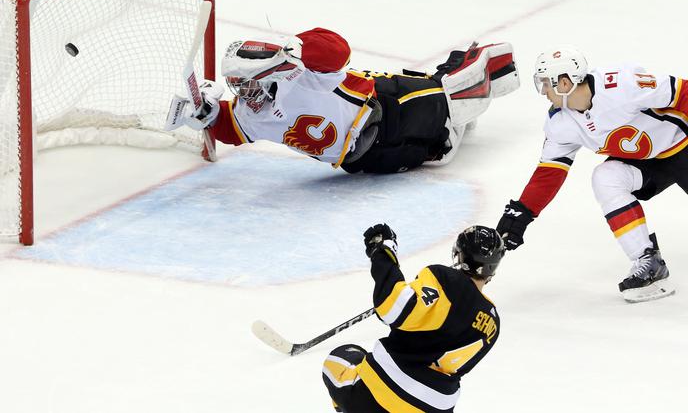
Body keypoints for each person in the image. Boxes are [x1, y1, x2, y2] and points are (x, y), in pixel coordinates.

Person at [169, 28, 519, 173]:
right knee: (439, 153)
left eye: (244, 84)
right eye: (236, 87)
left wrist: (296, 47)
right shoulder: (251, 113)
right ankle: (449, 129)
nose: (243, 95)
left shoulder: (302, 74)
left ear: (267, 73)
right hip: (361, 160)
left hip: (386, 105)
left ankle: (486, 64)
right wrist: (208, 114)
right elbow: (233, 129)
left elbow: (338, 51)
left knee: (450, 95)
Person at [496, 47, 687, 303]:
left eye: (545, 83)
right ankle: (647, 259)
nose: (543, 92)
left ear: (564, 82)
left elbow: (683, 93)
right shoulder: (560, 122)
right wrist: (524, 212)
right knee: (606, 176)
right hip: (648, 163)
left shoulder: (622, 84)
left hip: (683, 145)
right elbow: (549, 172)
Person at [321, 223, 505, 412]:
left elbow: (392, 308)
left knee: (343, 358)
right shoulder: (493, 322)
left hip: (385, 391)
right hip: (437, 406)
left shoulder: (444, 279)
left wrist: (383, 251)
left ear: (458, 254)